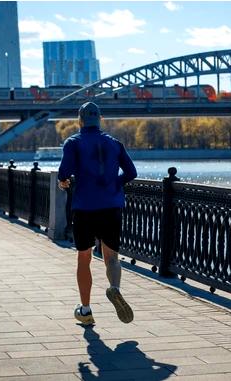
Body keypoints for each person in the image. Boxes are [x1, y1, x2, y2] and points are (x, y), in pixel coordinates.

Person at [57, 102, 137, 326]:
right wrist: (114, 184)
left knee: (84, 258)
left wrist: (63, 181)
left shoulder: (73, 143)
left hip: (84, 207)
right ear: (99, 119)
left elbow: (64, 172)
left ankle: (86, 310)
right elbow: (131, 172)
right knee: (111, 257)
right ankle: (114, 288)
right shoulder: (114, 143)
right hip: (111, 206)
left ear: (80, 120)